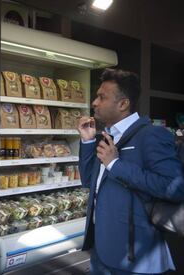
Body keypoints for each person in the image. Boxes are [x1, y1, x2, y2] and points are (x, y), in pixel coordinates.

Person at [77, 68, 184, 274]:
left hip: (136, 260)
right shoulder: (108, 137)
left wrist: (116, 165)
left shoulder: (152, 135)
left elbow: (173, 188)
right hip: (101, 253)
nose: (94, 103)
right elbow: (89, 181)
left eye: (101, 97)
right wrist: (87, 141)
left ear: (123, 103)